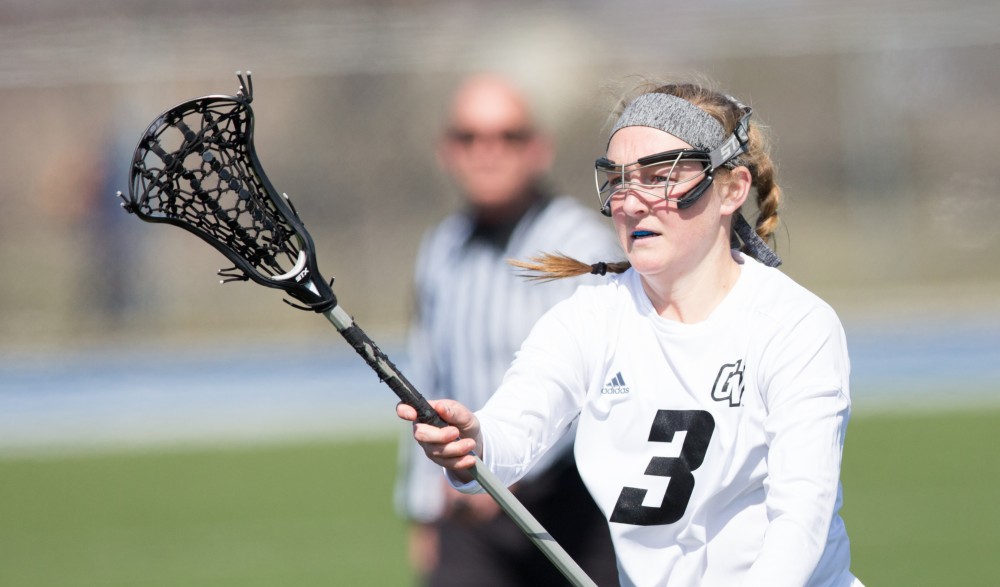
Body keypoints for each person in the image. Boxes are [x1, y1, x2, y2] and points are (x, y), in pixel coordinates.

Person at [398, 80, 864, 587]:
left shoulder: (795, 326)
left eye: (660, 176)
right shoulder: (590, 319)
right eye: (619, 180)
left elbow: (800, 520)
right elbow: (515, 428)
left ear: (731, 189)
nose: (632, 201)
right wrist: (474, 440)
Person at [394, 73, 622, 586]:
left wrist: (508, 469)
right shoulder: (442, 248)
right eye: (469, 137)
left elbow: (599, 387)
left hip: (572, 506)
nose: (487, 152)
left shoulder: (580, 245)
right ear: (446, 151)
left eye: (508, 136)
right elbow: (426, 373)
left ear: (538, 148)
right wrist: (424, 507)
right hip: (467, 504)